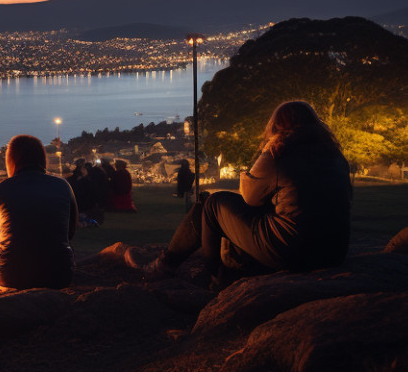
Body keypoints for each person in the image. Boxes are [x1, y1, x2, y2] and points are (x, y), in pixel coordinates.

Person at [147, 101, 353, 291]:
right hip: (333, 252)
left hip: (292, 251)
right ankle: (175, 262)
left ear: (277, 126)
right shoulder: (335, 156)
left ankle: (211, 277)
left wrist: (266, 151)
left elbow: (249, 198)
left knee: (212, 204)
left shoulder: (279, 153)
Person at [0, 134, 79, 291]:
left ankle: (9, 285)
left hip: (10, 276)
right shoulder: (63, 186)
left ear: (11, 160)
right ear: (42, 158)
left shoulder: (0, 190)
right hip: (60, 276)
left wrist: (1, 251)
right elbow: (70, 230)